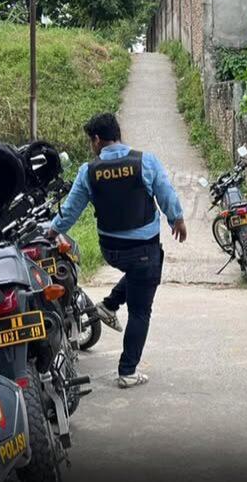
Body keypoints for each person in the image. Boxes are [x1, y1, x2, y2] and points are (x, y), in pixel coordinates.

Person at [49, 113, 187, 389]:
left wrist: (53, 230)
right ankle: (127, 371)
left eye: (92, 142)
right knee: (140, 310)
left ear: (98, 139)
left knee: (144, 269)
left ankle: (109, 305)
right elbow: (166, 193)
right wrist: (178, 219)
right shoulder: (144, 161)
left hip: (110, 250)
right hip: (142, 251)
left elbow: (72, 208)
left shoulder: (89, 171)